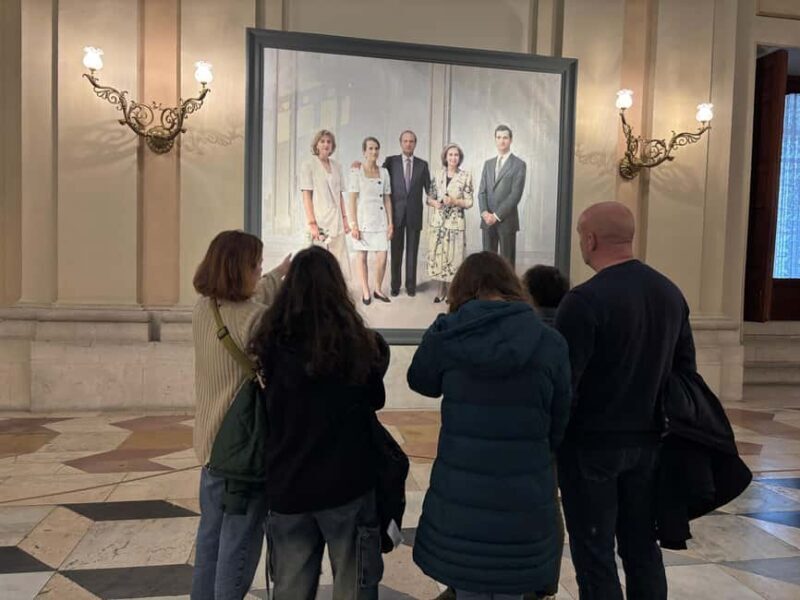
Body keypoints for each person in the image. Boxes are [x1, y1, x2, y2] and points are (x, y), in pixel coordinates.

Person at [408, 251, 572, 600]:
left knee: (468, 582)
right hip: (524, 490)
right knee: (514, 582)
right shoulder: (548, 342)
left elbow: (421, 381)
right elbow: (560, 421)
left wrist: (439, 332)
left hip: (462, 490)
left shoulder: (449, 335)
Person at [554, 201, 696, 600]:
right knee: (641, 548)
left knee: (595, 552)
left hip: (591, 449)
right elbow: (685, 373)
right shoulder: (670, 293)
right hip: (650, 444)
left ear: (590, 239)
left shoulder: (582, 301)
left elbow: (565, 384)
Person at [249, 246, 388, 600]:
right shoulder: (359, 344)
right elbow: (375, 400)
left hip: (289, 483)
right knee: (353, 588)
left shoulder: (269, 345)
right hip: (347, 484)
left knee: (291, 589)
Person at [190, 230, 289, 600]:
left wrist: (277, 274)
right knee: (239, 547)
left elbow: (248, 301)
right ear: (239, 270)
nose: (260, 271)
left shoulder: (204, 309)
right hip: (242, 454)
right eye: (256, 265)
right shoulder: (256, 320)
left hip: (212, 448)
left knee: (210, 542)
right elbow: (257, 318)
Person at [383, 130, 431, 297]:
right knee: (396, 251)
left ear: (415, 143)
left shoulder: (422, 165)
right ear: (401, 143)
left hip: (414, 213)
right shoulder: (391, 162)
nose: (408, 144)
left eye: (411, 141)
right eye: (405, 141)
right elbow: (378, 177)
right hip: (395, 214)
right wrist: (359, 166)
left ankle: (411, 286)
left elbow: (429, 190)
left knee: (412, 251)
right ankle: (395, 285)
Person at [425, 143, 474, 303]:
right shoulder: (438, 174)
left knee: (454, 258)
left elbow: (469, 202)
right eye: (450, 155)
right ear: (445, 157)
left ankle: (453, 293)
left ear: (459, 158)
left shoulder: (465, 176)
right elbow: (429, 197)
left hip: (455, 223)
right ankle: (440, 291)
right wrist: (435, 203)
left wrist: (453, 201)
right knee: (439, 256)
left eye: (456, 155)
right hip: (438, 223)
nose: (453, 158)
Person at [299, 129, 351, 278]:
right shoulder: (308, 165)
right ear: (316, 145)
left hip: (336, 218)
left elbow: (340, 195)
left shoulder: (337, 166)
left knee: (338, 257)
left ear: (332, 146)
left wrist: (345, 219)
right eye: (322, 141)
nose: (326, 144)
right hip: (319, 218)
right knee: (317, 258)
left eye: (329, 142)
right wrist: (312, 223)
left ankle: (336, 290)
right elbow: (306, 196)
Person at [349, 136, 394, 304]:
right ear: (364, 152)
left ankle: (377, 289)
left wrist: (390, 223)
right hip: (362, 221)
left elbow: (387, 199)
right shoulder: (356, 172)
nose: (374, 151)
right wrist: (354, 225)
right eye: (370, 148)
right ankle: (366, 291)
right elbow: (352, 200)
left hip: (380, 220)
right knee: (361, 257)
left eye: (376, 148)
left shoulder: (384, 172)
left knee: (382, 257)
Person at [478, 125, 527, 268]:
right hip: (487, 221)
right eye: (498, 137)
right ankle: (488, 290)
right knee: (487, 263)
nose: (502, 141)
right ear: (495, 140)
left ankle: (507, 291)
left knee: (507, 264)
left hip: (506, 221)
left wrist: (496, 216)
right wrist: (484, 213)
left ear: (510, 140)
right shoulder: (488, 164)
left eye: (505, 137)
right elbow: (482, 192)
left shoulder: (519, 165)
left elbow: (515, 195)